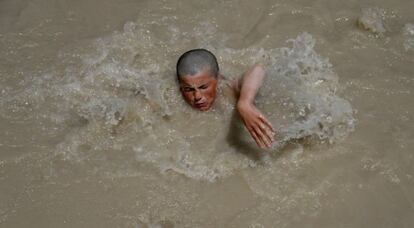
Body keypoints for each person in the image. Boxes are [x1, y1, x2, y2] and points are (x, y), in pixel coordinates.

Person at [176, 48, 275, 148]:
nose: (197, 96)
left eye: (203, 87)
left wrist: (245, 103)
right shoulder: (175, 95)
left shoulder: (227, 89)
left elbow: (258, 69)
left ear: (218, 79)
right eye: (189, 89)